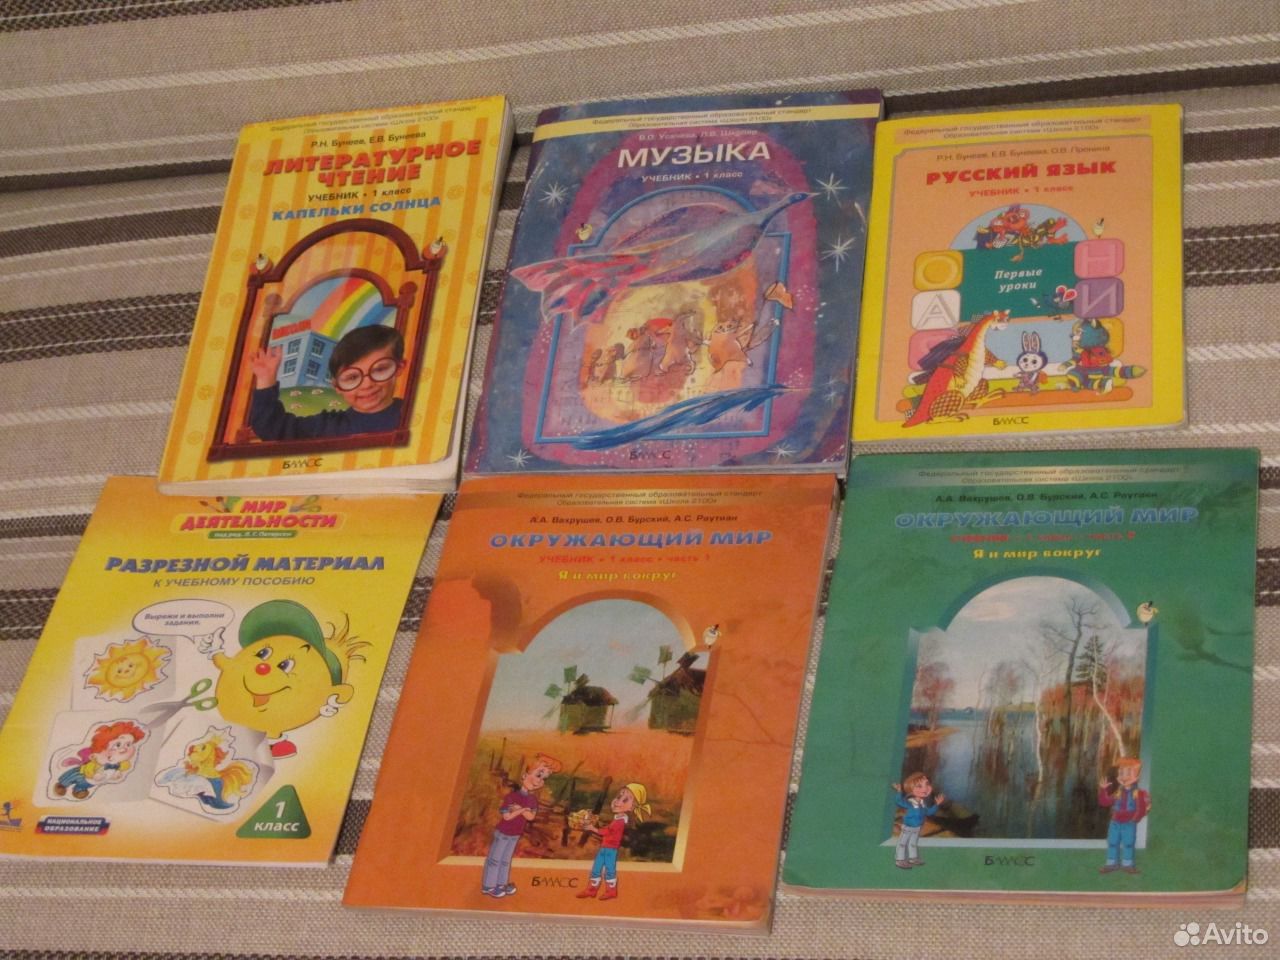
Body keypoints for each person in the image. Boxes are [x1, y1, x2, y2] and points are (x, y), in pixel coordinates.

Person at [248, 325, 405, 440]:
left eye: (379, 370)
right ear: (337, 387)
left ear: (399, 368)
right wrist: (265, 379)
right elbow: (271, 428)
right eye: (352, 378)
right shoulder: (327, 426)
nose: (367, 385)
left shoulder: (411, 414)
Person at [481, 753, 562, 898]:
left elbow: (531, 817)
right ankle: (489, 886)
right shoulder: (512, 797)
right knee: (495, 859)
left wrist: (520, 809)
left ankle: (501, 884)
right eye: (538, 774)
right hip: (503, 833)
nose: (539, 781)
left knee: (506, 861)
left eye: (544, 778)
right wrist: (522, 810)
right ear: (525, 776)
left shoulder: (532, 800)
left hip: (515, 834)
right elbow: (507, 816)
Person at [575, 781, 650, 900]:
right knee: (597, 868)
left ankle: (611, 891)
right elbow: (608, 829)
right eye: (619, 797)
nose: (618, 801)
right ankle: (591, 890)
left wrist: (593, 828)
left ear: (632, 807)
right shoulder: (617, 818)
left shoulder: (621, 821)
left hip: (611, 849)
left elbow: (608, 831)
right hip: (605, 847)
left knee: (609, 870)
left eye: (625, 800)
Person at [1099, 757, 1150, 873]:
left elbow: (1141, 809)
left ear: (1137, 776)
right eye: (1121, 773)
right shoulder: (1118, 793)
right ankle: (1111, 863)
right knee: (1112, 842)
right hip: (1115, 823)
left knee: (1128, 843)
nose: (1124, 777)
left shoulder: (1139, 793)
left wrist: (1134, 820)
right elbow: (1104, 802)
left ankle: (1127, 864)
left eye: (1128, 773)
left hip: (1128, 823)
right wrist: (1103, 790)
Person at [892, 772, 945, 868]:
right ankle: (900, 860)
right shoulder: (910, 803)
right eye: (919, 786)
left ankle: (913, 858)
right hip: (908, 827)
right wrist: (899, 791)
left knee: (913, 843)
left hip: (917, 827)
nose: (925, 788)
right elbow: (899, 801)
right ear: (911, 790)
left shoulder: (922, 803)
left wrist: (936, 804)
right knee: (903, 843)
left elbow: (928, 812)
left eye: (927, 784)